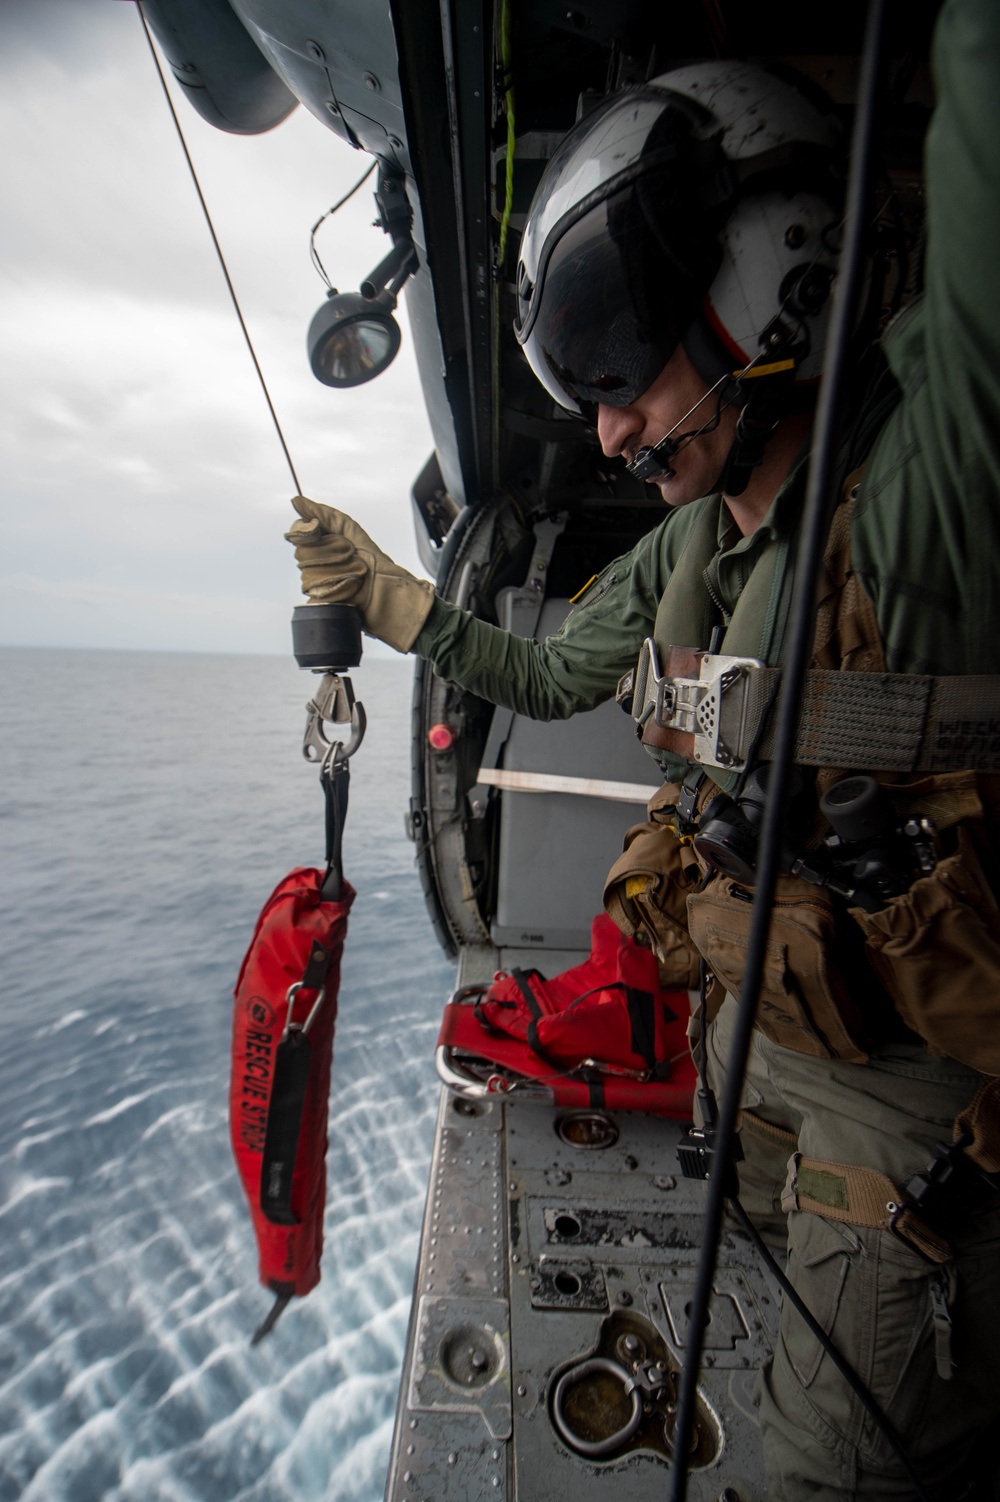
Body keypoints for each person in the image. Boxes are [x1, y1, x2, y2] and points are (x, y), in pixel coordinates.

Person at [286, 1, 1000, 1495]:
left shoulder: (925, 519)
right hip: (764, 1026)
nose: (606, 434)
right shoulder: (694, 546)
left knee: (823, 1465)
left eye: (627, 372)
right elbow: (541, 672)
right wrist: (393, 595)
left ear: (763, 289)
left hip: (916, 1077)